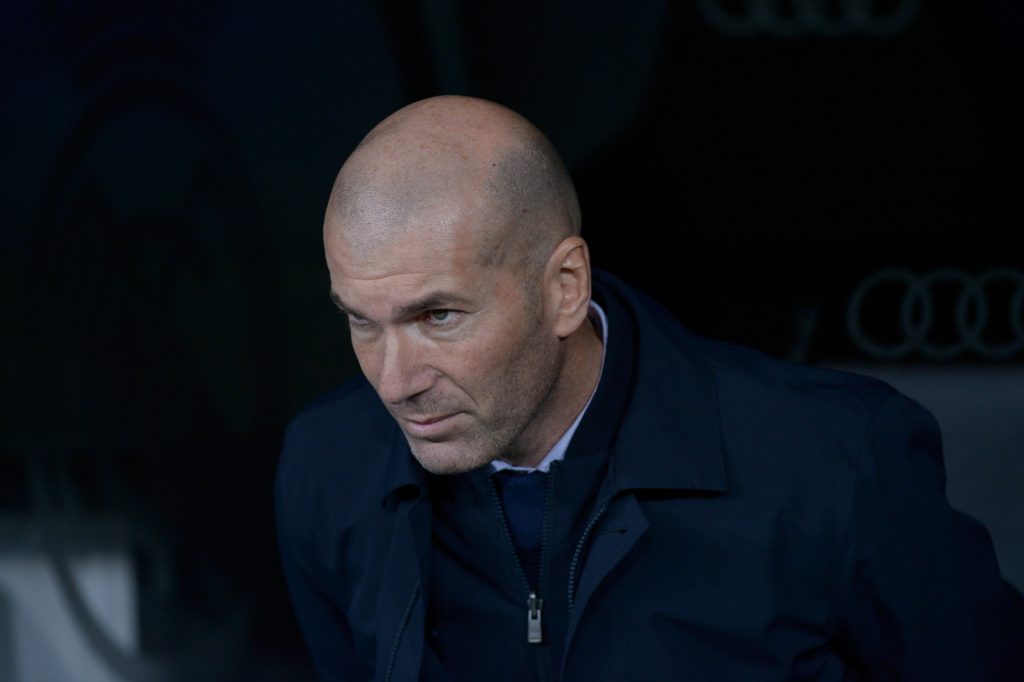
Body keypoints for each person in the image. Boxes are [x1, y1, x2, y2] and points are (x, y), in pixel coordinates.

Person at [275, 95, 1024, 681]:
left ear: (565, 288)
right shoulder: (328, 464)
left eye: (439, 315)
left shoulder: (834, 464)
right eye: (361, 321)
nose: (394, 382)